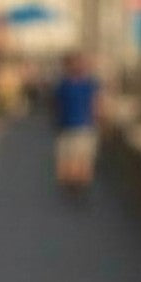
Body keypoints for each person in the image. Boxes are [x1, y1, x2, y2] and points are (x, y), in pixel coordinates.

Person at [52, 52, 100, 191]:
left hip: (84, 127)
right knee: (69, 164)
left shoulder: (89, 84)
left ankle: (79, 189)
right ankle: (74, 188)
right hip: (68, 127)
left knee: (82, 161)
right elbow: (56, 105)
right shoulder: (63, 85)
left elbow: (96, 105)